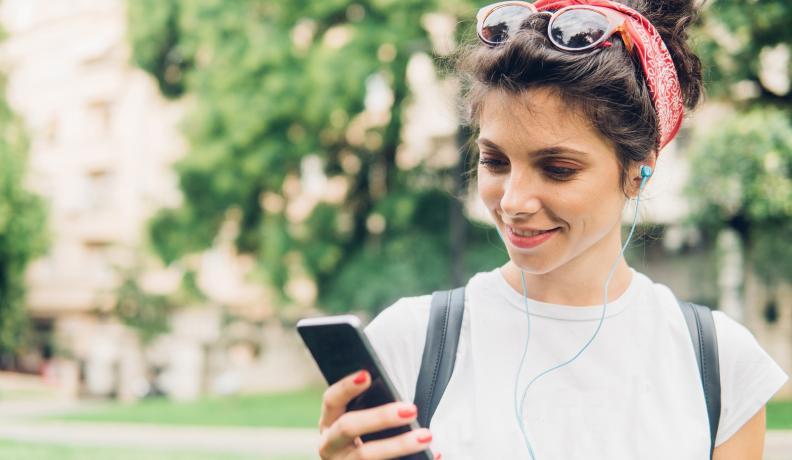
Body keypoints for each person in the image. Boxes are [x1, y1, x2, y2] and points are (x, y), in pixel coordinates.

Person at [316, 1, 789, 459]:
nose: (514, 202)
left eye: (558, 168)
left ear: (638, 171)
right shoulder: (410, 342)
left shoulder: (721, 363)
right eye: (494, 161)